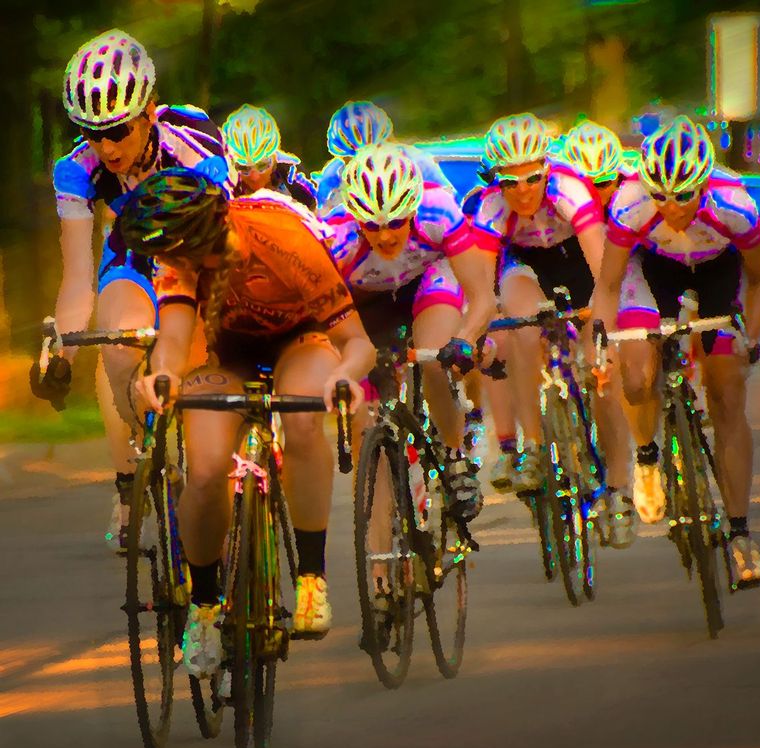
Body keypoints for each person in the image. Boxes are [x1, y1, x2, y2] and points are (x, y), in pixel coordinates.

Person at [119, 167, 375, 675]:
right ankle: (204, 605)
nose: (166, 264)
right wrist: (161, 376)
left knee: (302, 418)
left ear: (199, 240)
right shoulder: (179, 259)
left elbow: (358, 343)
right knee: (206, 470)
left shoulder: (283, 239)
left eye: (172, 255)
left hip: (300, 341)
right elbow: (174, 340)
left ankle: (311, 577)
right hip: (226, 357)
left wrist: (344, 376)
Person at [30, 28, 236, 552]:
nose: (107, 147)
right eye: (92, 132)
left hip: (198, 246)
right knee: (119, 340)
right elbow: (78, 278)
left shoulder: (192, 137)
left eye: (118, 130)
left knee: (202, 355)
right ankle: (150, 457)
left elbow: (224, 230)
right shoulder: (77, 170)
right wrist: (61, 356)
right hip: (134, 252)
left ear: (147, 112)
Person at [592, 115, 760, 584]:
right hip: (654, 271)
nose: (671, 207)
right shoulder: (631, 204)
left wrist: (750, 338)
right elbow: (608, 285)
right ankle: (647, 456)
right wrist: (602, 341)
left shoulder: (735, 205)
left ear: (704, 186)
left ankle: (740, 534)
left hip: (716, 272)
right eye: (661, 196)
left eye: (684, 195)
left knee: (726, 391)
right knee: (636, 376)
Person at [471, 113, 636, 545]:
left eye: (532, 178)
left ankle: (619, 486)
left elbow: (603, 272)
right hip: (527, 267)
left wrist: (601, 336)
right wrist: (482, 333)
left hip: (578, 262)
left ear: (547, 169)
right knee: (523, 328)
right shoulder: (490, 209)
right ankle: (533, 445)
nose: (523, 190)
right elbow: (484, 290)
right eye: (510, 182)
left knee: (603, 376)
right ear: (497, 181)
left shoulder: (570, 190)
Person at [327, 143, 496, 520]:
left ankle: (454, 456)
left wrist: (465, 338)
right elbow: (324, 317)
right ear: (355, 219)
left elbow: (483, 297)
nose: (385, 236)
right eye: (372, 225)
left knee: (434, 356)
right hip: (368, 300)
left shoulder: (439, 211)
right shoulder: (336, 237)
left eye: (396, 222)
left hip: (428, 282)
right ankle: (379, 538)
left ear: (413, 211)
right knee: (364, 411)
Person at [315, 100, 453, 215]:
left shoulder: (418, 162)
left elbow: (449, 203)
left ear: (389, 141)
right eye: (354, 162)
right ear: (343, 158)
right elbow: (324, 218)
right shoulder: (332, 174)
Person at [222, 103, 317, 208]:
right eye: (243, 168)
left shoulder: (293, 174)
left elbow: (315, 211)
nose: (255, 177)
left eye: (262, 165)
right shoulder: (223, 178)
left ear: (275, 157)